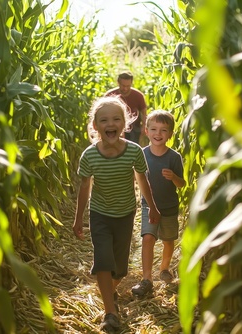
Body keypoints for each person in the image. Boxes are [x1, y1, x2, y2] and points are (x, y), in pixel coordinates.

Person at [72, 96, 161, 332]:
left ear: (125, 124)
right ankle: (110, 313)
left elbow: (142, 179)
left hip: (125, 214)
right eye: (103, 120)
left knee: (119, 268)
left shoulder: (133, 152)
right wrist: (78, 218)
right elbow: (84, 187)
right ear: (95, 125)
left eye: (115, 119)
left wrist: (152, 206)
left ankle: (110, 293)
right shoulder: (89, 155)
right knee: (103, 260)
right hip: (100, 213)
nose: (110, 123)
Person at [131, 110, 186, 297]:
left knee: (168, 241)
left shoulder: (174, 157)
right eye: (154, 129)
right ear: (146, 131)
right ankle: (146, 278)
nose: (158, 134)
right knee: (148, 238)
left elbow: (182, 184)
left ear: (170, 134)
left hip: (169, 207)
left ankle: (164, 268)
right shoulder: (142, 154)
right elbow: (135, 178)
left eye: (164, 130)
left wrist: (174, 177)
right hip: (148, 205)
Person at [104, 71, 147, 145]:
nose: (125, 88)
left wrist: (144, 125)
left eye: (128, 86)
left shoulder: (138, 96)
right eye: (123, 86)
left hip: (133, 127)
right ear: (118, 83)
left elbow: (143, 112)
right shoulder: (109, 95)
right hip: (114, 126)